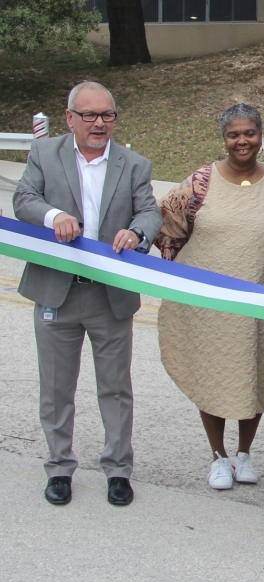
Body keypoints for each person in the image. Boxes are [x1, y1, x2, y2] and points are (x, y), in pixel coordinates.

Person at [13, 81, 161, 507]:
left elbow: (149, 210)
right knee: (57, 388)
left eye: (107, 115)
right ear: (70, 118)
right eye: (90, 115)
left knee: (115, 388)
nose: (100, 124)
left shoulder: (134, 164)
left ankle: (118, 469)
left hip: (110, 296)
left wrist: (136, 232)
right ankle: (59, 468)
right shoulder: (45, 154)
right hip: (56, 291)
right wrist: (54, 214)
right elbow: (24, 199)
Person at [155, 103, 264, 491]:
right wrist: (175, 270)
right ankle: (218, 456)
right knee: (212, 373)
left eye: (249, 133)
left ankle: (245, 453)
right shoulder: (200, 181)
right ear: (224, 139)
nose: (242, 141)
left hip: (261, 297)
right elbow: (166, 222)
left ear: (261, 137)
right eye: (234, 134)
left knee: (256, 371)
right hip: (208, 302)